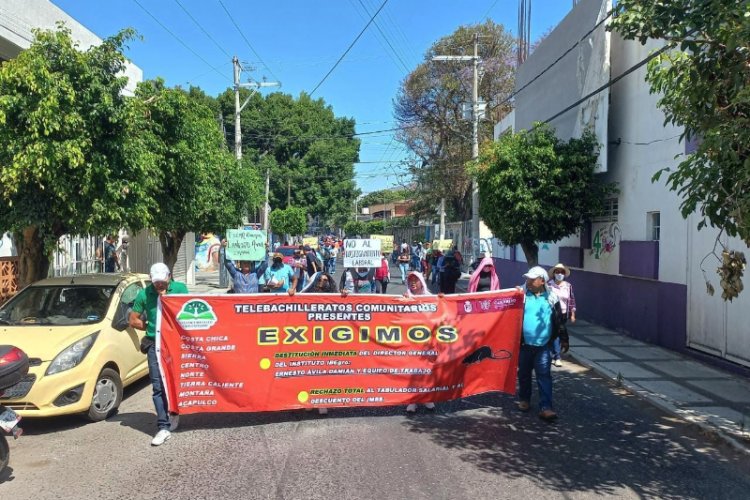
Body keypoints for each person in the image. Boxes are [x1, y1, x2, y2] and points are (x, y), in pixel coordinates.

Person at [129, 263, 188, 446]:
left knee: (175, 381)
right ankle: (163, 426)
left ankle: (174, 413)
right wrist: (149, 327)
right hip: (155, 343)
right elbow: (133, 319)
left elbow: (189, 311)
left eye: (162, 281)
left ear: (169, 277)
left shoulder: (180, 289)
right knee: (157, 385)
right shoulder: (144, 294)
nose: (159, 285)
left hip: (175, 342)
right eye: (156, 283)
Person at [516, 266, 569, 421]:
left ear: (542, 281)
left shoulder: (551, 298)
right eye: (528, 279)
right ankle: (524, 399)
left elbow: (559, 320)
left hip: (544, 346)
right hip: (525, 345)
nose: (528, 281)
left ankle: (546, 407)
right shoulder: (521, 295)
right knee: (524, 374)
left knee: (544, 376)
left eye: (532, 279)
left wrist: (564, 338)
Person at [402, 271, 437, 413]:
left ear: (421, 282)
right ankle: (413, 401)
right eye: (410, 280)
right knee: (412, 371)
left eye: (416, 280)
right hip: (410, 342)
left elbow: (439, 313)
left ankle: (427, 398)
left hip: (427, 341)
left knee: (427, 371)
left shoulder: (430, 298)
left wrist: (442, 300)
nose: (413, 283)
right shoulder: (404, 297)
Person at [547, 263, 576, 367]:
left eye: (562, 272)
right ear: (554, 273)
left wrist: (572, 314)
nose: (559, 274)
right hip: (552, 313)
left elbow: (571, 300)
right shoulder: (549, 285)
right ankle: (555, 356)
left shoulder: (568, 286)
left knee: (558, 334)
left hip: (563, 314)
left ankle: (555, 355)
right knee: (553, 334)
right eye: (557, 272)